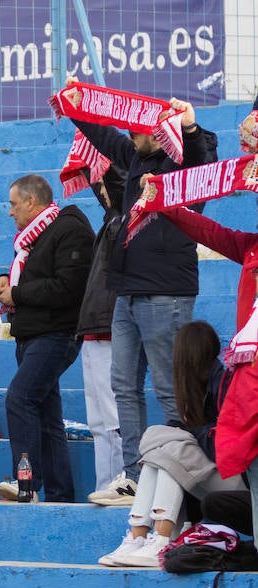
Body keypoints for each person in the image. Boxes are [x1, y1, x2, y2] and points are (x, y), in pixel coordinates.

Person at [69, 90, 217, 505]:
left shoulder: (183, 159)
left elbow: (200, 161)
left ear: (160, 131)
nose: (129, 140)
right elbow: (106, 139)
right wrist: (74, 105)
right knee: (123, 386)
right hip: (127, 291)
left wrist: (188, 126)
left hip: (165, 293)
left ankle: (180, 477)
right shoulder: (137, 155)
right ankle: (135, 475)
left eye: (137, 133)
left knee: (173, 390)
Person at [153, 202, 258, 540]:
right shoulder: (251, 246)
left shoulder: (217, 379)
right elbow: (211, 233)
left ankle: (152, 537)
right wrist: (165, 203)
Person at [96, 321, 239, 567]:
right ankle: (137, 538)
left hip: (237, 480)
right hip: (209, 475)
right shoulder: (195, 387)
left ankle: (160, 540)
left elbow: (226, 444)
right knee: (160, 445)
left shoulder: (225, 383)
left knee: (165, 445)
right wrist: (184, 433)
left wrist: (189, 433)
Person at [0, 174, 93, 503]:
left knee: (19, 399)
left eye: (13, 204)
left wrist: (15, 295)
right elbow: (40, 276)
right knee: (48, 419)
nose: (10, 212)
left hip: (56, 334)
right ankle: (60, 495)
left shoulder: (69, 229)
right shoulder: (30, 240)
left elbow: (68, 287)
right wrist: (6, 281)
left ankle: (27, 485)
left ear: (32, 202)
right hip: (31, 335)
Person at [77, 166, 127, 495]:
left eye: (103, 182)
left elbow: (119, 186)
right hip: (92, 327)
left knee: (113, 417)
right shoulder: (109, 220)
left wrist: (100, 157)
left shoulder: (124, 217)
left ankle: (123, 482)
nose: (100, 190)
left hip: (109, 327)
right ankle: (103, 485)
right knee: (97, 421)